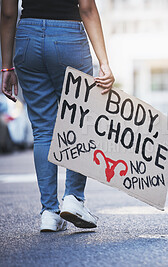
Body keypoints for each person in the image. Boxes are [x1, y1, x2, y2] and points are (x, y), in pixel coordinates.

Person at [1, 0, 114, 232]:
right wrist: (104, 63)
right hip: (68, 35)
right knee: (79, 122)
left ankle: (49, 212)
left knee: (43, 129)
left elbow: (8, 12)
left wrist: (6, 67)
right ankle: (73, 198)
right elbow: (87, 7)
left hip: (27, 37)